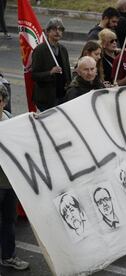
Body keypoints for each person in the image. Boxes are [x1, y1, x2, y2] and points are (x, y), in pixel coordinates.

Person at [0, 84, 30, 271]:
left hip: (9, 182)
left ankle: (8, 256)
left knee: (9, 221)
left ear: (3, 101)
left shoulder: (10, 120)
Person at [32, 17, 71, 111]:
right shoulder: (40, 50)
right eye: (54, 29)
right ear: (48, 32)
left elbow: (67, 72)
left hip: (62, 96)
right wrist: (50, 72)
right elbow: (34, 75)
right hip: (47, 99)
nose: (57, 32)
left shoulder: (63, 49)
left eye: (60, 29)